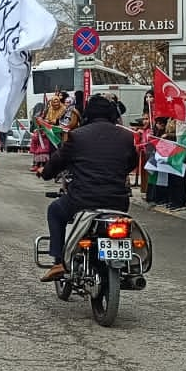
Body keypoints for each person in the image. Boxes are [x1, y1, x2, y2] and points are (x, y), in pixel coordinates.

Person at [38, 93, 141, 279]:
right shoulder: (126, 137)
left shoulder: (76, 136)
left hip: (82, 200)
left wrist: (45, 173)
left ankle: (59, 260)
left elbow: (57, 162)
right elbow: (131, 163)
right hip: (118, 202)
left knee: (55, 210)